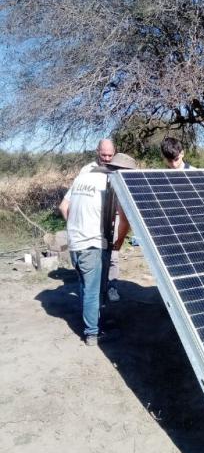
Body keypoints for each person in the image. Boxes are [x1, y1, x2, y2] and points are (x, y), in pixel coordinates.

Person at [59, 153, 137, 345]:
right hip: (92, 245)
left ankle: (93, 322)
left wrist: (78, 227)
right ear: (121, 172)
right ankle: (92, 333)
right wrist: (118, 242)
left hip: (75, 243)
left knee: (85, 287)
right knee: (93, 291)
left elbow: (63, 206)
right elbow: (124, 218)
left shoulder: (82, 177)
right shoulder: (111, 184)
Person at [78, 140, 124, 302]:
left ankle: (112, 287)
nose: (106, 158)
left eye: (110, 155)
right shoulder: (87, 170)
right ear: (97, 151)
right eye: (103, 154)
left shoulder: (119, 168)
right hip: (94, 217)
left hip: (115, 215)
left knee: (113, 255)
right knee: (97, 253)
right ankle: (97, 290)